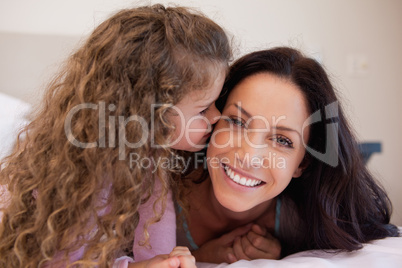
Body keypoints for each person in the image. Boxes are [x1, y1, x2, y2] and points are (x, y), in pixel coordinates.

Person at [0, 4, 231, 268]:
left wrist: (169, 261)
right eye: (203, 109)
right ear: (151, 113)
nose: (216, 116)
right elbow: (61, 261)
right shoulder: (87, 167)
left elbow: (156, 236)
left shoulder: (151, 156)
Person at [175, 47, 400, 264]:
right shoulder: (158, 192)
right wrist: (201, 257)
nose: (249, 156)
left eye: (282, 140)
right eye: (236, 122)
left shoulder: (307, 220)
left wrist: (281, 254)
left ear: (302, 163)